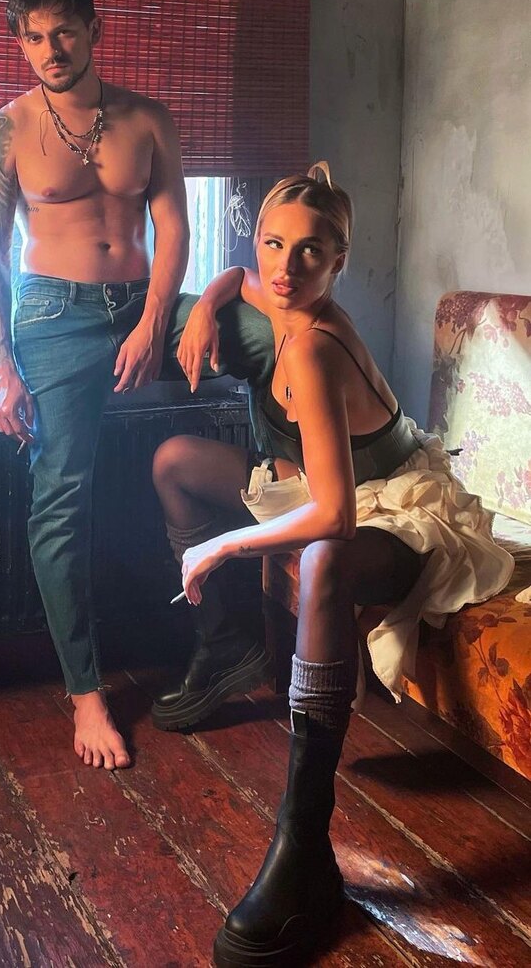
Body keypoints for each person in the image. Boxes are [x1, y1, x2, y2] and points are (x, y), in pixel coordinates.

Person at [151, 163, 514, 965]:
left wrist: (221, 544)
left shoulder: (315, 347)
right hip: (316, 488)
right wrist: (206, 306)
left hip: (399, 509)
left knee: (322, 560)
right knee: (173, 459)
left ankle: (304, 841)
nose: (286, 267)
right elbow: (238, 277)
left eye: (311, 252)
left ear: (339, 261)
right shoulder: (272, 289)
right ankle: (225, 646)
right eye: (274, 244)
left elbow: (339, 517)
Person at [0, 0, 273, 772]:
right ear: (21, 43)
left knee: (262, 336)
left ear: (95, 31)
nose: (50, 49)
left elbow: (174, 229)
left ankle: (303, 484)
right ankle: (85, 691)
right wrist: (0, 367)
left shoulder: (149, 119)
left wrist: (157, 320)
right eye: (34, 37)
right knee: (61, 496)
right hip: (54, 317)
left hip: (146, 302)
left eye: (64, 31)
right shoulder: (4, 132)